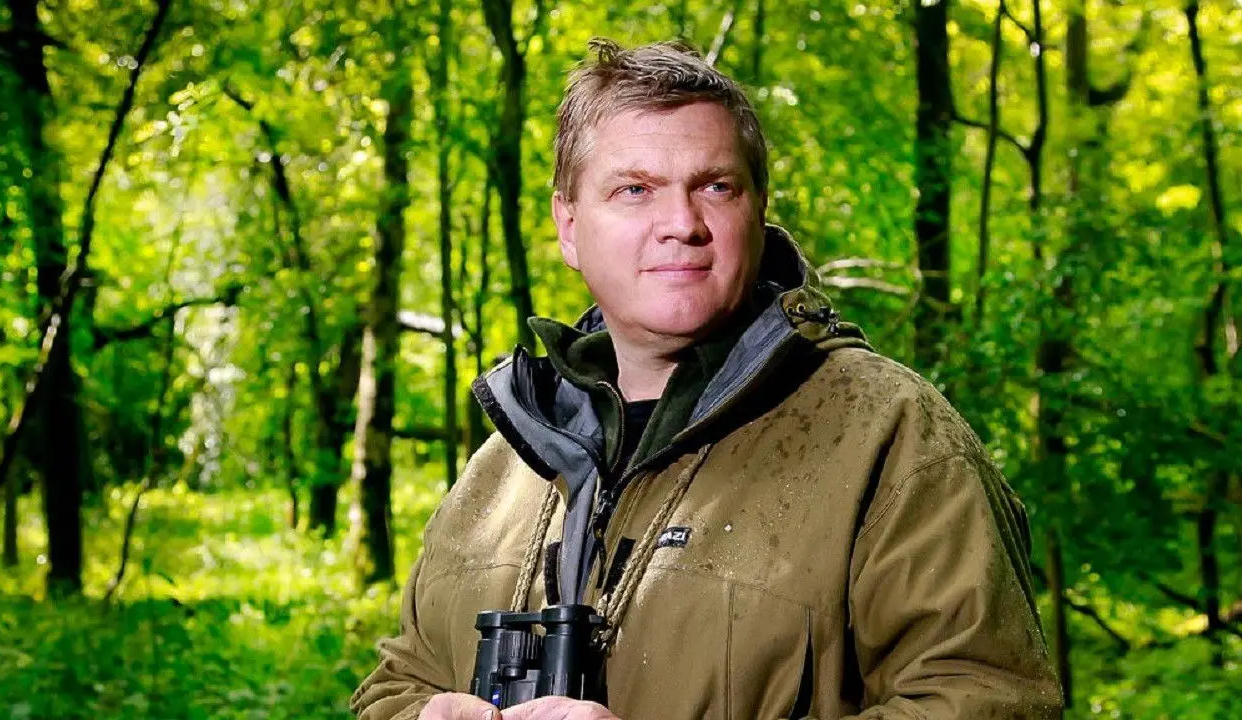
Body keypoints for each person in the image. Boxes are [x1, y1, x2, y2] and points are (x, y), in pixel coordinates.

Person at [350, 39, 1063, 720]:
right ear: (568, 226)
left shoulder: (891, 435)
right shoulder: (504, 468)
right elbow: (396, 681)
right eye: (634, 189)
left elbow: (991, 700)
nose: (681, 223)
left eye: (715, 186)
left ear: (756, 209)